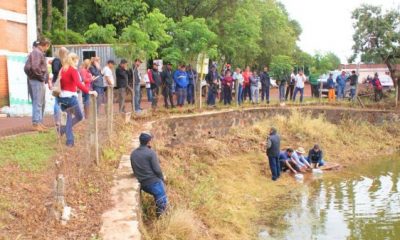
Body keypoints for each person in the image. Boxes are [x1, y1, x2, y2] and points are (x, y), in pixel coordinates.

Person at [58, 53, 97, 146]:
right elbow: (78, 83)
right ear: (74, 60)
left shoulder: (63, 69)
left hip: (62, 97)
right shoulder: (73, 70)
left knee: (68, 118)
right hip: (71, 97)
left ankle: (67, 137)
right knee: (79, 116)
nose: (77, 62)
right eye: (77, 60)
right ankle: (67, 137)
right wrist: (89, 91)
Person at [130, 133, 167, 217]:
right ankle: (161, 218)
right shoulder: (151, 153)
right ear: (149, 142)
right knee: (162, 198)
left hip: (142, 182)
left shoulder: (133, 153)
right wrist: (162, 179)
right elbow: (157, 170)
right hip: (152, 183)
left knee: (160, 195)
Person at [24, 38, 51, 131]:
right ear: (46, 45)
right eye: (48, 46)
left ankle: (39, 122)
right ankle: (36, 123)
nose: (47, 49)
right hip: (36, 80)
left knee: (41, 102)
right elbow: (35, 67)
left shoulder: (38, 52)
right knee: (38, 102)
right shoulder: (37, 52)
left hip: (38, 80)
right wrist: (42, 77)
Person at [52, 47, 69, 125]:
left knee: (61, 101)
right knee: (57, 101)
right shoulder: (57, 60)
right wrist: (62, 70)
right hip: (57, 83)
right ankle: (57, 120)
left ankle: (61, 119)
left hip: (62, 83)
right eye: (66, 53)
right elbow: (55, 70)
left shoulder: (62, 61)